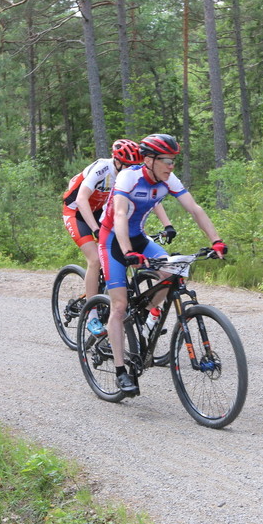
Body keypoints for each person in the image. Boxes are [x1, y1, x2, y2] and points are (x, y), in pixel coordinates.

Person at [95, 133, 227, 396]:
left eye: (174, 160)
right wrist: (128, 251)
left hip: (140, 238)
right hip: (112, 240)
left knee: (176, 272)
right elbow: (120, 215)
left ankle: (146, 309)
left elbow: (195, 209)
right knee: (119, 306)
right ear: (149, 159)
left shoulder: (169, 179)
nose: (171, 166)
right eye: (166, 160)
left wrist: (216, 241)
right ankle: (121, 371)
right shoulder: (128, 177)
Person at [63, 139, 175, 322]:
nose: (129, 170)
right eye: (126, 166)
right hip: (77, 212)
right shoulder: (102, 168)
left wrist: (167, 225)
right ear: (116, 161)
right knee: (95, 259)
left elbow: (152, 200)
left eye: (133, 166)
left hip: (100, 212)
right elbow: (82, 199)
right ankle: (90, 316)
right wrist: (95, 229)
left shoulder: (132, 175)